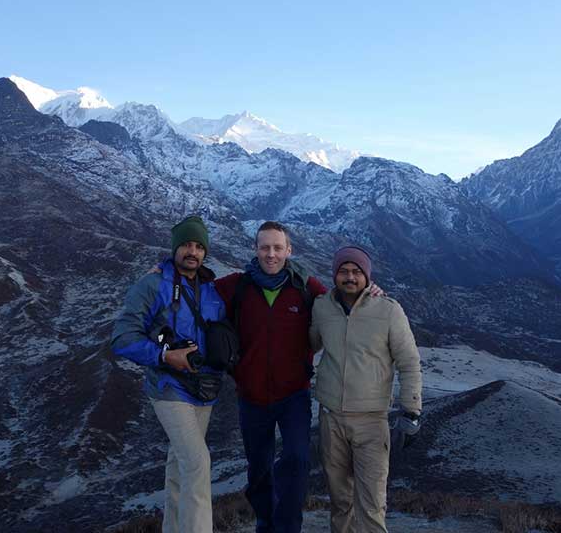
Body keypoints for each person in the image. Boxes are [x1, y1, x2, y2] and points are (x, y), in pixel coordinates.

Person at [110, 215, 226, 533]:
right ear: (175, 248)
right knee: (198, 464)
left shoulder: (213, 289)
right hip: (168, 386)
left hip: (204, 389)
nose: (192, 251)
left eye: (199, 246)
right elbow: (122, 339)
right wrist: (164, 355)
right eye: (187, 244)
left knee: (180, 466)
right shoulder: (152, 284)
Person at [215, 221, 328, 533]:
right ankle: (265, 524)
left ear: (289, 251)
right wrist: (164, 272)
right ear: (255, 249)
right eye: (265, 247)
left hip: (294, 394)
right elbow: (194, 294)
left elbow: (341, 304)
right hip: (251, 397)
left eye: (278, 247)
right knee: (259, 472)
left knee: (298, 460)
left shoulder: (306, 287)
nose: (271, 254)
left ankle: (288, 526)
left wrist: (370, 290)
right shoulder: (236, 287)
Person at [309, 245, 422, 533]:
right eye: (343, 271)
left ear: (367, 277)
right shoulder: (322, 307)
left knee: (371, 503)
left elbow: (409, 361)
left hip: (371, 422)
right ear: (334, 275)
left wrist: (411, 411)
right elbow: (308, 345)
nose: (349, 277)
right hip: (331, 418)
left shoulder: (388, 311)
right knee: (340, 502)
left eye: (356, 272)